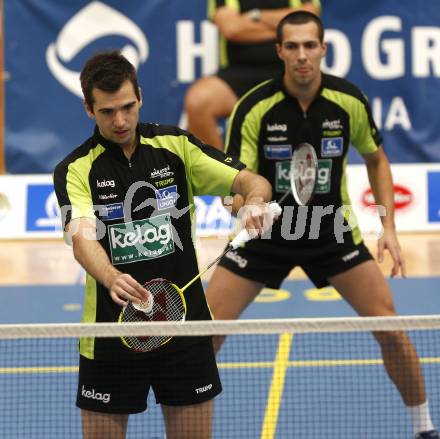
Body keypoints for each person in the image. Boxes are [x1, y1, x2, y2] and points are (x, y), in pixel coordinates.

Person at [205, 11, 439, 439]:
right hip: (265, 235)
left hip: (331, 231)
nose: (301, 56)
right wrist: (243, 210)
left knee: (390, 328)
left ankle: (425, 428)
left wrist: (388, 228)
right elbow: (229, 179)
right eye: (291, 46)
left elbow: (376, 159)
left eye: (309, 45)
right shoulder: (254, 106)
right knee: (204, 335)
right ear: (279, 52)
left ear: (323, 49)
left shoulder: (348, 100)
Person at [53, 50, 274, 439]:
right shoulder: (76, 169)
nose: (120, 121)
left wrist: (254, 203)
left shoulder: (176, 147)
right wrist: (109, 275)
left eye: (127, 106)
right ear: (89, 109)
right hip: (111, 333)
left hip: (184, 329)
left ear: (139, 96)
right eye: (107, 112)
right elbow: (82, 237)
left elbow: (248, 180)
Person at [184, 0, 321, 150]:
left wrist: (256, 16)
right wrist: (287, 29)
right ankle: (221, 170)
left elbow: (309, 20)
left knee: (323, 96)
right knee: (199, 101)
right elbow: (232, 29)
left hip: (291, 72)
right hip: (238, 73)